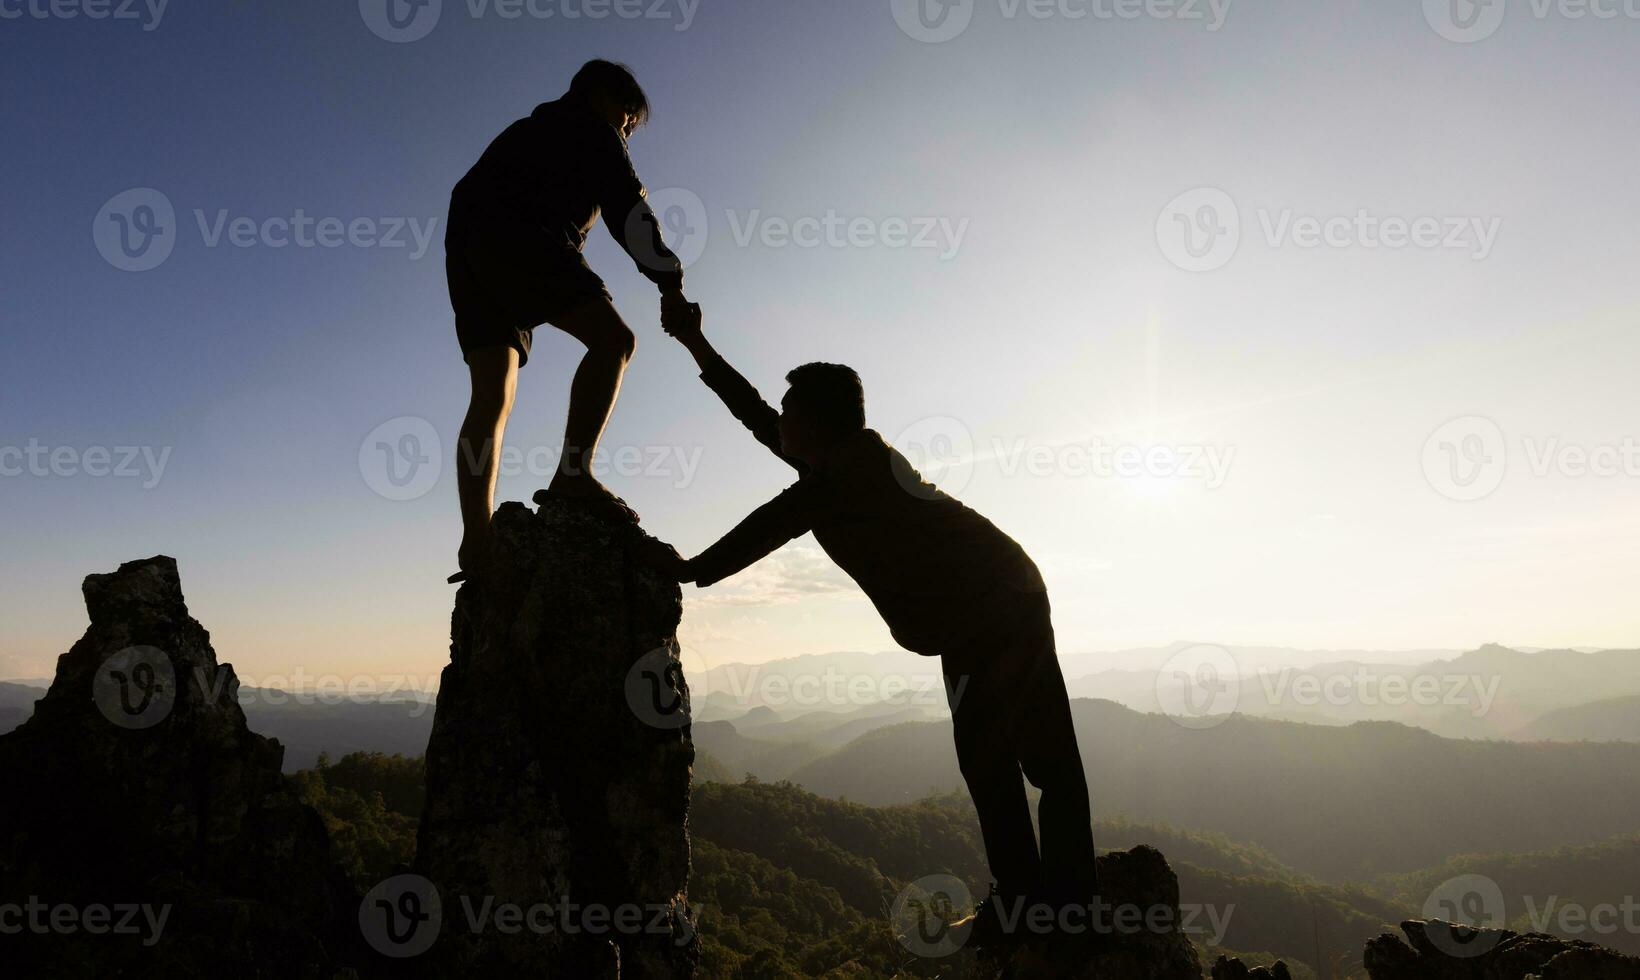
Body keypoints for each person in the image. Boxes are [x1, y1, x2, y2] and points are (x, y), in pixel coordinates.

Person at [638, 307, 1099, 945]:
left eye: (790, 408)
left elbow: (771, 522)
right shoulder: (836, 461)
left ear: (818, 424)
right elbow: (754, 416)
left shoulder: (844, 476)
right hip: (982, 612)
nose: (780, 416)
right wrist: (696, 344)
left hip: (1003, 603)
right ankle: (1031, 908)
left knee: (1036, 762)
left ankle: (1062, 915)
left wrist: (690, 568)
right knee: (991, 763)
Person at [444, 59, 695, 582]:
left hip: (468, 244)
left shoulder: (527, 131)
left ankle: (477, 539)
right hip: (522, 234)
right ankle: (573, 475)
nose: (627, 131)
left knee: (492, 394)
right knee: (615, 342)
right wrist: (670, 283)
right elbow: (630, 212)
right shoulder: (590, 128)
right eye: (628, 119)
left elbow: (474, 195)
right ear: (608, 99)